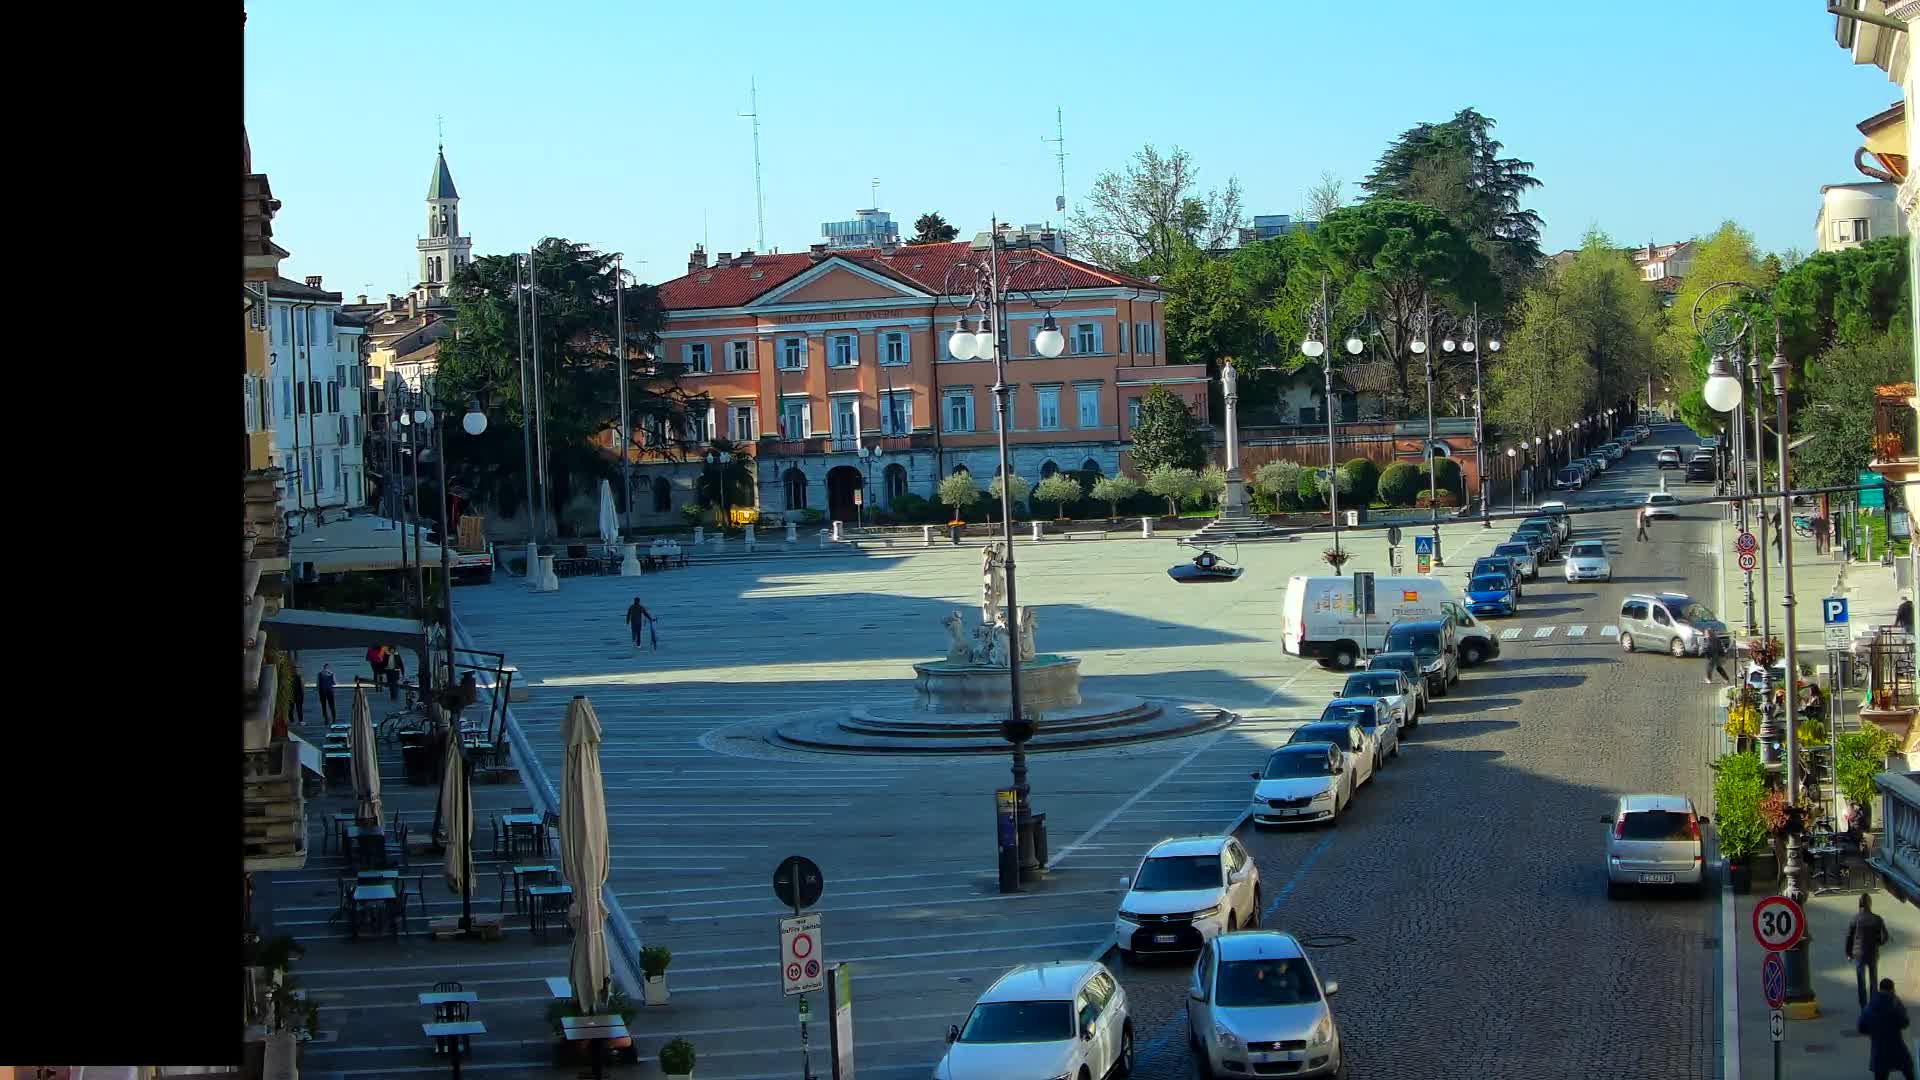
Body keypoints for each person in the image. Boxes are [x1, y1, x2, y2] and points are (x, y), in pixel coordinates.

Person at [1859, 977, 1915, 1080]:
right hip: (1896, 1046)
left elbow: (1861, 1027)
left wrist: (1873, 1032)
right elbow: (1904, 1022)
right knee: (1908, 1070)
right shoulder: (1895, 1003)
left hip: (1879, 1049)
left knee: (1880, 1074)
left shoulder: (1870, 1005)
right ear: (1892, 990)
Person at [1851, 895, 1894, 1009]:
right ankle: (1874, 1005)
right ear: (1870, 904)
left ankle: (1863, 1006)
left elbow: (1850, 937)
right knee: (1873, 981)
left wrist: (1849, 952)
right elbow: (1885, 936)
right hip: (1872, 953)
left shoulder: (1855, 919)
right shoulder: (1877, 919)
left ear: (1860, 904)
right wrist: (1878, 943)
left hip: (1858, 954)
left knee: (1861, 981)